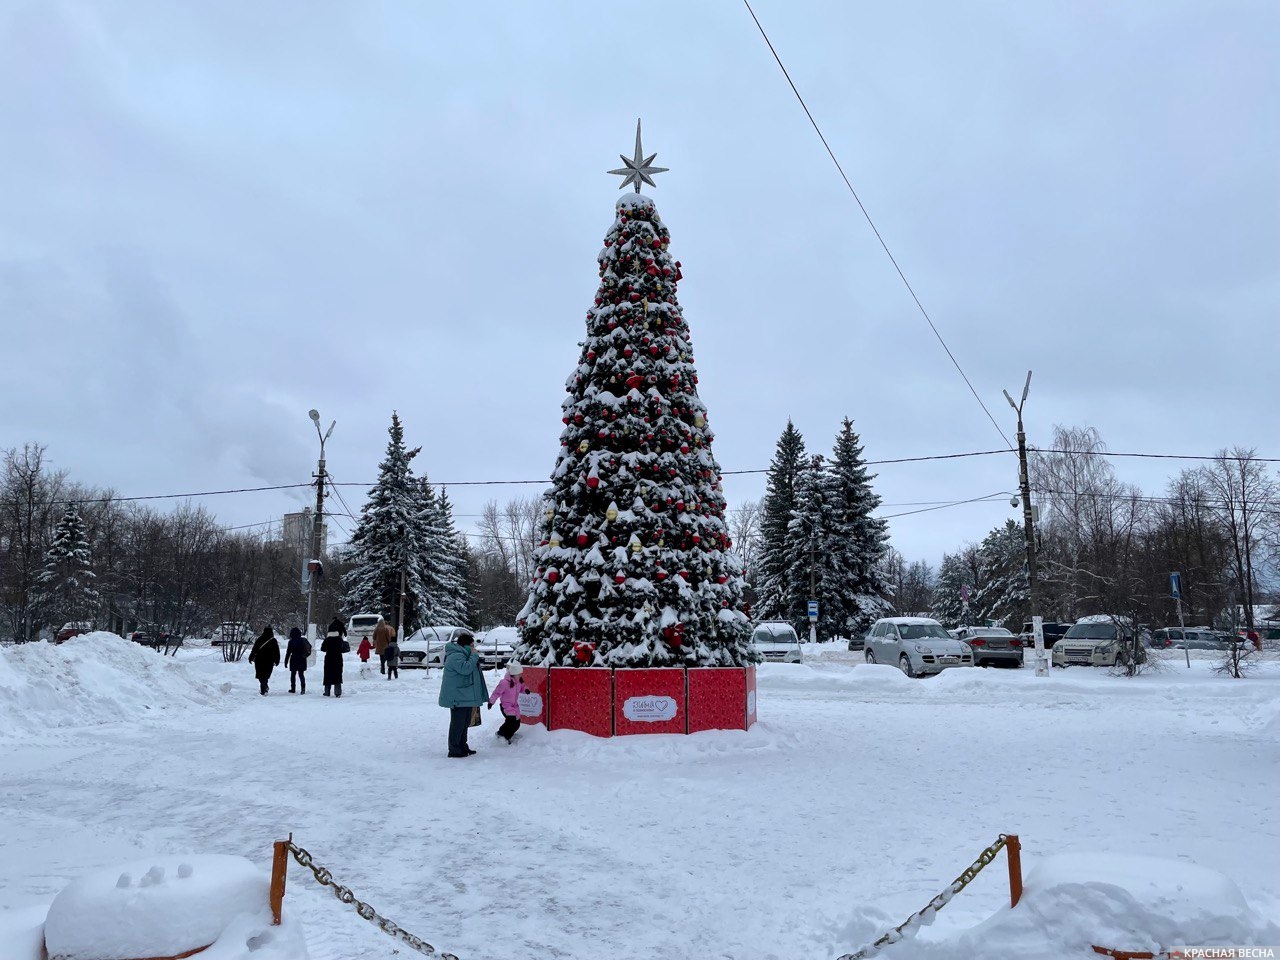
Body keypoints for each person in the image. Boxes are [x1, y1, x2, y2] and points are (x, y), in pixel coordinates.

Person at [437, 630, 488, 757]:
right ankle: (454, 749)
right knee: (457, 723)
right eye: (471, 646)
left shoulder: (463, 655)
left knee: (464, 723)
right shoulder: (456, 656)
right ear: (465, 646)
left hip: (465, 695)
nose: (473, 649)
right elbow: (465, 669)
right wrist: (474, 656)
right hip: (458, 697)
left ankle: (462, 746)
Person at [487, 661, 529, 743]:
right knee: (511, 721)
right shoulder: (504, 683)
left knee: (517, 724)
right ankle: (503, 735)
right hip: (506, 706)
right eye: (519, 674)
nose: (520, 675)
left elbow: (523, 687)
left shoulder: (518, 682)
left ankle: (507, 734)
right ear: (513, 673)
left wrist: (526, 690)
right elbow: (496, 693)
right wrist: (491, 702)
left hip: (515, 706)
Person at [248, 626, 280, 696]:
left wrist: (251, 657)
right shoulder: (273, 640)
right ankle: (264, 687)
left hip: (259, 660)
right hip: (269, 661)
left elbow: (254, 649)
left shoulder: (259, 639)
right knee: (265, 675)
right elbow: (276, 651)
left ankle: (263, 689)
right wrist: (277, 660)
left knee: (261, 675)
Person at [321, 617, 347, 697]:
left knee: (328, 675)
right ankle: (338, 692)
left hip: (329, 659)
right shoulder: (339, 640)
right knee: (337, 675)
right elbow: (343, 649)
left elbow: (323, 649)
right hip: (338, 659)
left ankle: (327, 692)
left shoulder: (327, 640)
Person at [284, 627, 311, 694]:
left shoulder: (291, 641)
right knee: (301, 674)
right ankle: (303, 689)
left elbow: (288, 652)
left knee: (293, 674)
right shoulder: (303, 640)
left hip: (294, 659)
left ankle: (293, 688)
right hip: (302, 658)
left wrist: (286, 661)